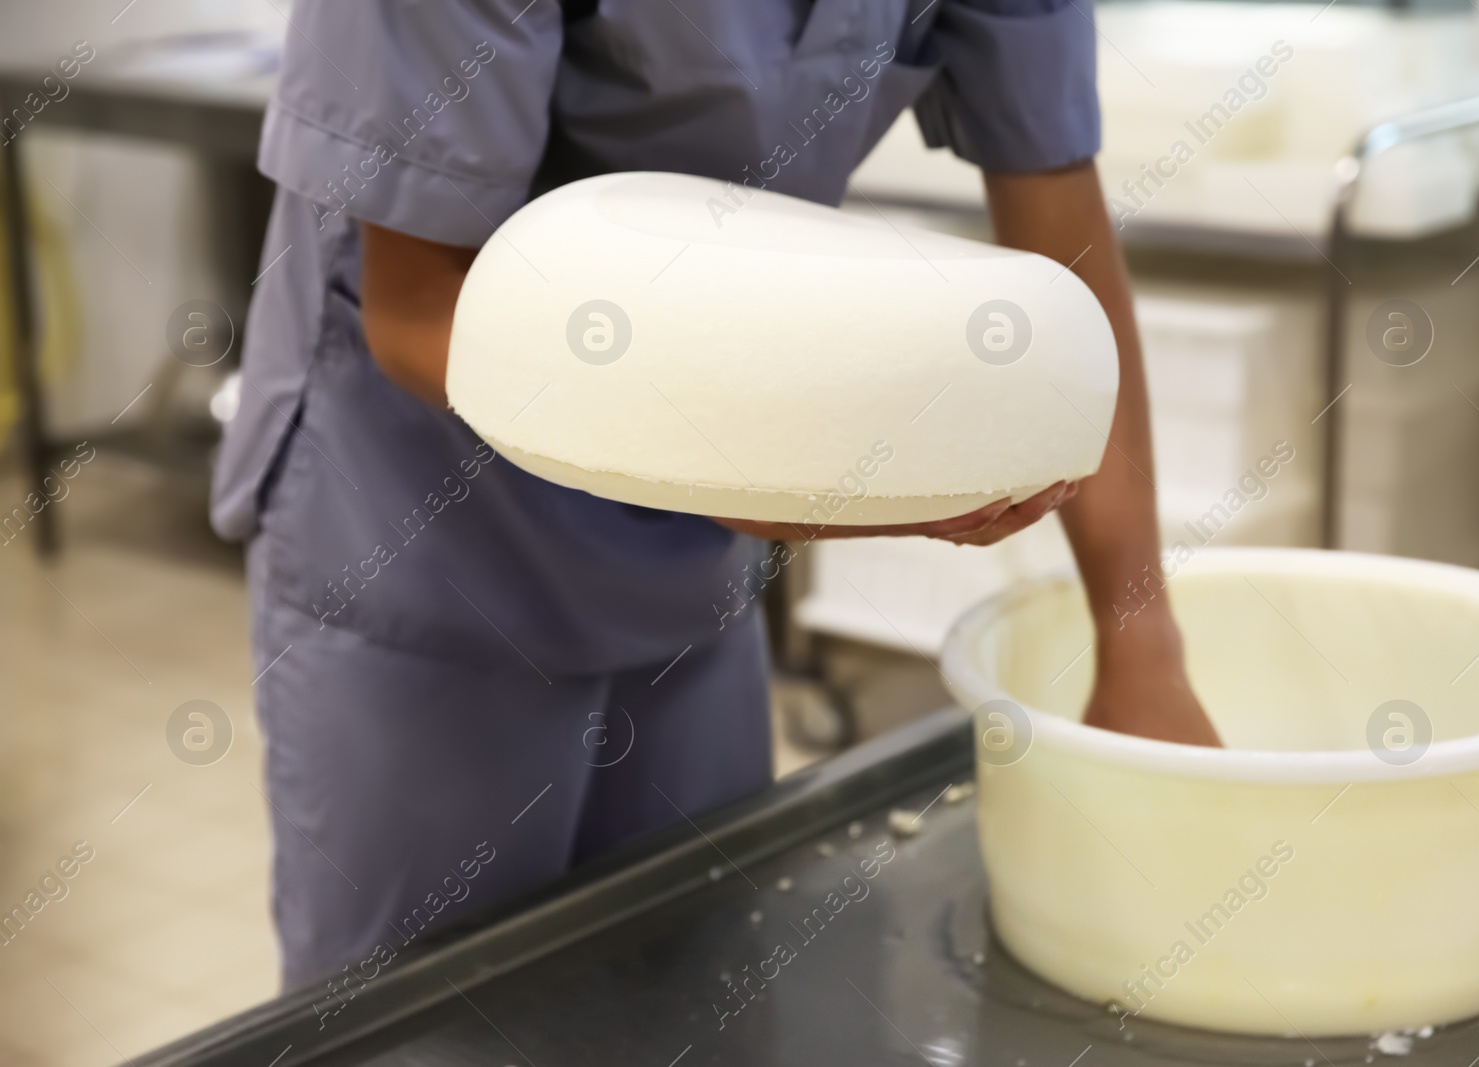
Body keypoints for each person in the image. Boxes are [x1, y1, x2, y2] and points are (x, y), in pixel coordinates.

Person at [214, 0, 1220, 989]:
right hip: (422, 529)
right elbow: (417, 301)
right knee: (430, 1018)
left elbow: (1059, 228)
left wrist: (1140, 638)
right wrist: (740, 471)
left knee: (697, 987)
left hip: (687, 553)